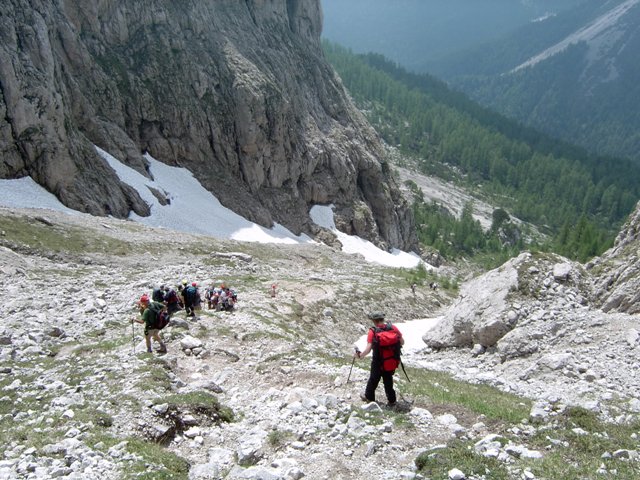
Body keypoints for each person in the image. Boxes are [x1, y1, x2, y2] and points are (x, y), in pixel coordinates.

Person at [355, 311, 404, 407]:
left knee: (373, 379)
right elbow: (402, 342)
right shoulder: (393, 328)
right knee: (388, 380)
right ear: (383, 319)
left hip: (378, 361)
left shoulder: (373, 331)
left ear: (374, 320)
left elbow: (368, 349)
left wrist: (360, 356)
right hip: (390, 361)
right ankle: (392, 401)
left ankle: (369, 399)